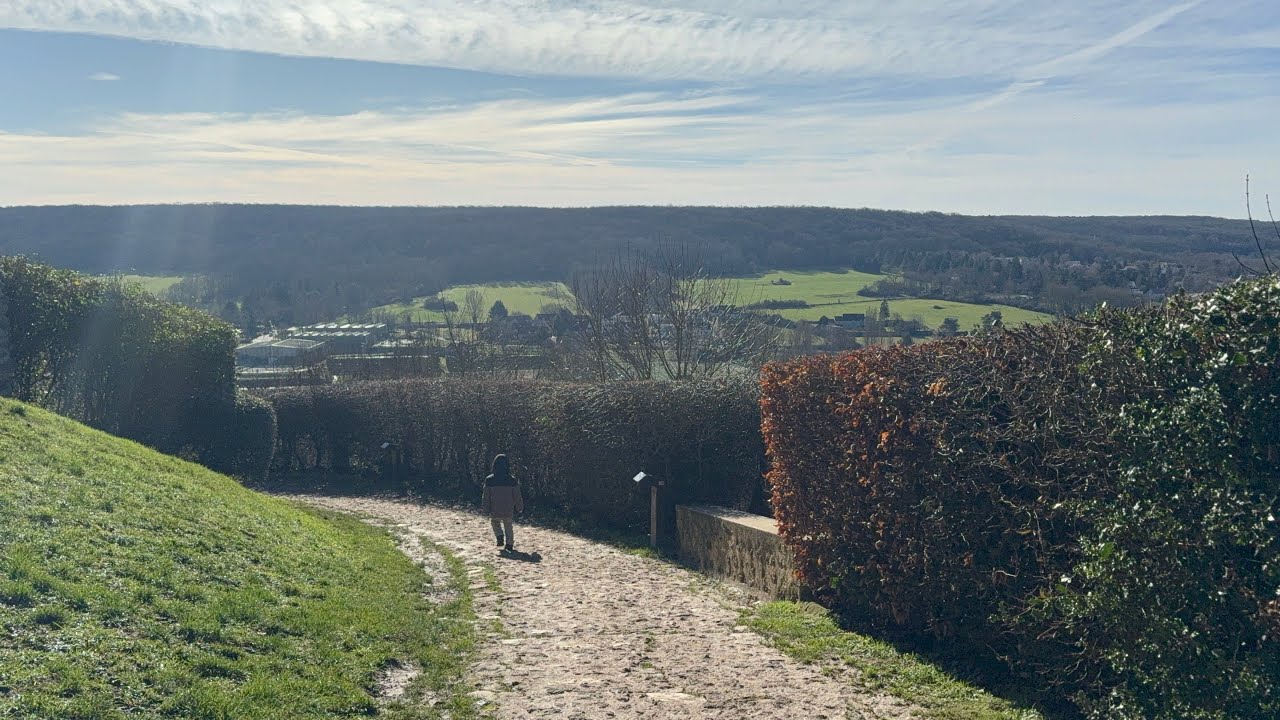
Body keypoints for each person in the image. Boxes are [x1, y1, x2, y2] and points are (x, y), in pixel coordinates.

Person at [481, 453, 523, 551]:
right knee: (508, 525)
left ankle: (499, 535)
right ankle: (509, 544)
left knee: (495, 522)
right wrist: (519, 507)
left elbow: (486, 496)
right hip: (508, 508)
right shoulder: (512, 480)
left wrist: (485, 508)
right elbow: (517, 496)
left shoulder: (489, 480)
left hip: (495, 507)